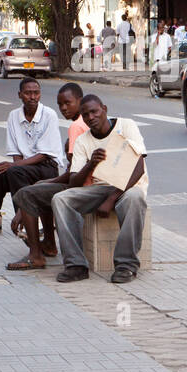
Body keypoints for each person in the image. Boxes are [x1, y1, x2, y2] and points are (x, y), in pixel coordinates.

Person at [53, 95, 149, 284]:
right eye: (85, 114)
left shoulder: (126, 125)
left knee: (135, 197)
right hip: (100, 188)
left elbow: (138, 167)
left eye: (94, 111)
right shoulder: (83, 141)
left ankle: (126, 265)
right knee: (60, 199)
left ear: (104, 109)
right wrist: (90, 164)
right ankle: (76, 266)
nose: (90, 117)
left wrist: (111, 199)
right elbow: (74, 182)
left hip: (128, 187)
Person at [7, 83, 88, 271]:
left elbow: (73, 175)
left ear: (80, 102)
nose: (64, 108)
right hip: (82, 181)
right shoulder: (88, 121)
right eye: (60, 105)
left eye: (68, 103)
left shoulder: (76, 126)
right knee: (39, 187)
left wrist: (43, 185)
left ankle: (35, 256)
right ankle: (49, 244)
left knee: (28, 194)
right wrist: (44, 183)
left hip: (81, 186)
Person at [0, 77, 64, 236]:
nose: (32, 97)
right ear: (20, 95)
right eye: (28, 93)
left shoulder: (48, 115)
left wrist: (15, 167)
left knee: (13, 171)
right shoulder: (13, 116)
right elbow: (15, 151)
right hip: (25, 166)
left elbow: (45, 154)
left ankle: (27, 219)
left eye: (36, 93)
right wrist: (15, 166)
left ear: (40, 95)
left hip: (47, 166)